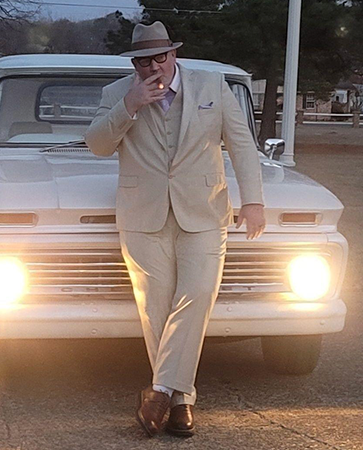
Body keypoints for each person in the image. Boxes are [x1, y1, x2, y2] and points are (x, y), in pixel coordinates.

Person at [85, 21, 265, 438]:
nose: (154, 68)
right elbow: (96, 145)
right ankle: (181, 403)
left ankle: (160, 390)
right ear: (135, 63)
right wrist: (129, 105)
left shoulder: (212, 86)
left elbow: (241, 145)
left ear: (174, 56)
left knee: (198, 294)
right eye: (144, 61)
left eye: (161, 58)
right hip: (143, 215)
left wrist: (253, 200)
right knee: (157, 309)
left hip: (203, 211)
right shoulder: (117, 94)